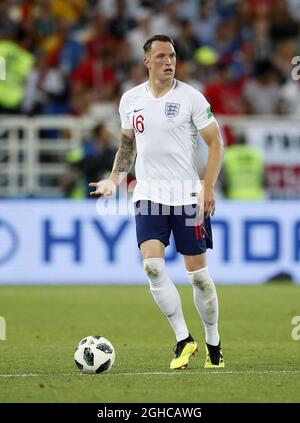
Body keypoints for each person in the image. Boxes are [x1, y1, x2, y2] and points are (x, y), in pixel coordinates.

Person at [89, 34, 224, 370]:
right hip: (149, 196)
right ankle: (183, 339)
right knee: (152, 266)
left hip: (188, 198)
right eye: (161, 56)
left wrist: (208, 187)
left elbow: (216, 143)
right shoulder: (130, 100)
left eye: (173, 56)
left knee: (199, 278)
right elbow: (127, 147)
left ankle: (213, 342)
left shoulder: (192, 98)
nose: (169, 62)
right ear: (146, 61)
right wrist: (113, 180)